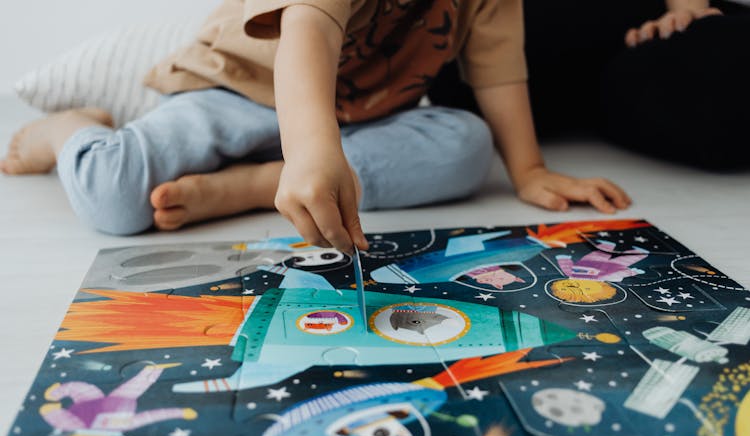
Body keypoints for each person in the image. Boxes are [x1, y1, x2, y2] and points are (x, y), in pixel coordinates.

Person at [0, 0, 631, 255]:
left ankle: (255, 183)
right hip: (239, 90)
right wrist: (311, 146)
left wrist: (528, 170)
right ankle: (71, 129)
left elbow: (497, 73)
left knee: (467, 146)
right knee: (113, 196)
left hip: (358, 122)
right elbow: (310, 27)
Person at [429, 0, 750, 169]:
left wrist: (686, 15)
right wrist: (529, 170)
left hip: (642, 31)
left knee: (722, 61)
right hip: (517, 50)